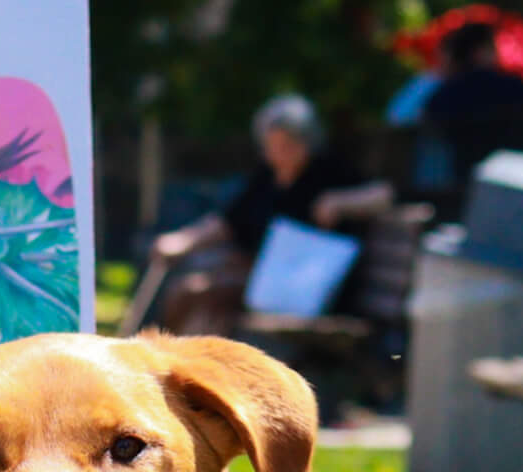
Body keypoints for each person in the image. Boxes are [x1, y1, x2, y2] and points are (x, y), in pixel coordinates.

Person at [147, 94, 392, 335]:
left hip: (307, 291)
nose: (279, 153)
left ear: (308, 142)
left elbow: (384, 193)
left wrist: (341, 202)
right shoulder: (265, 178)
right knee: (195, 291)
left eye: (288, 145)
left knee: (194, 291)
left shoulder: (328, 172)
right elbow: (227, 222)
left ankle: (169, 363)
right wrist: (182, 241)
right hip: (259, 281)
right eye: (272, 146)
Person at [418, 21, 523, 214]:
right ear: (480, 51)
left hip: (459, 187)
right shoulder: (515, 87)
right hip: (514, 182)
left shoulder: (444, 95)